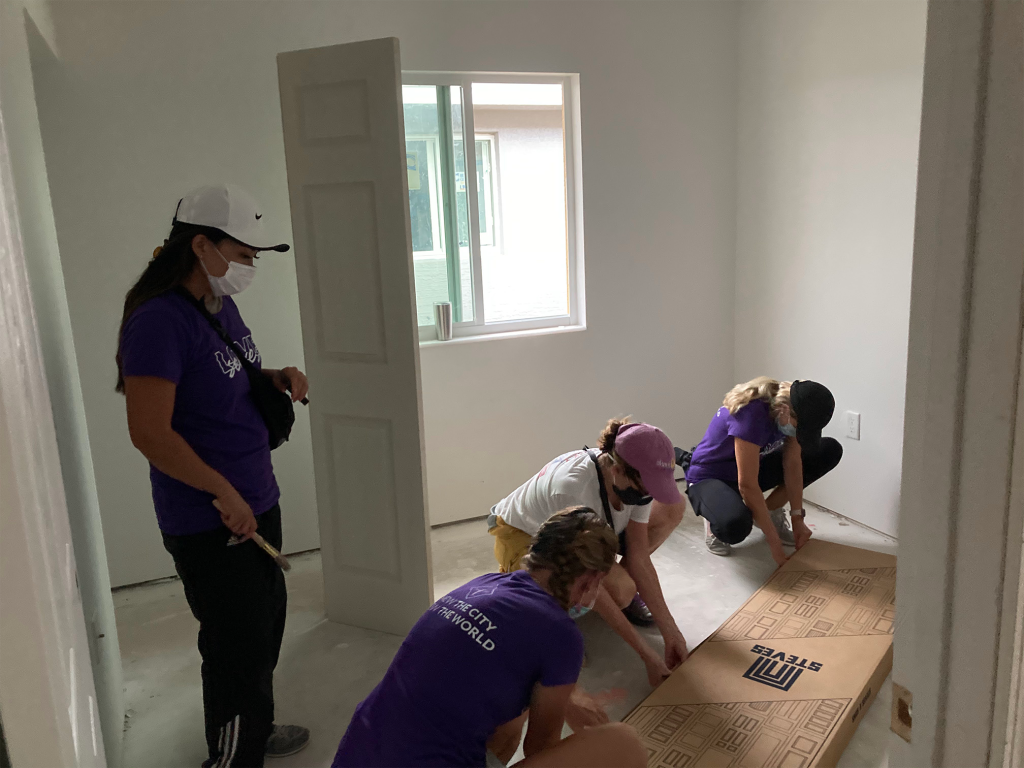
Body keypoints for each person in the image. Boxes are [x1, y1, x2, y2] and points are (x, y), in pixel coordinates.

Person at [116, 184, 311, 767]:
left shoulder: (217, 305)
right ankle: (231, 757)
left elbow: (223, 376)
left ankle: (251, 729)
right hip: (211, 516)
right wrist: (222, 491)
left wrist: (273, 374)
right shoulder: (157, 323)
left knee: (263, 628)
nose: (251, 266)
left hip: (253, 497)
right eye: (245, 254)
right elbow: (149, 433)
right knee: (234, 648)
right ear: (202, 245)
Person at [332, 507, 648, 768]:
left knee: (514, 711)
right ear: (592, 580)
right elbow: (540, 748)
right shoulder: (562, 636)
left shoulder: (481, 584)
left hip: (360, 751)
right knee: (622, 742)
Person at [489, 419, 689, 692]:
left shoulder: (630, 484)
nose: (647, 496)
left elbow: (639, 556)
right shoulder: (572, 490)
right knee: (614, 590)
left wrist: (671, 632)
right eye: (645, 488)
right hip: (523, 533)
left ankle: (611, 595)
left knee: (672, 507)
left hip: (594, 525)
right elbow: (592, 582)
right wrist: (646, 655)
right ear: (617, 470)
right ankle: (550, 617)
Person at [683, 377, 842, 566]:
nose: (799, 433)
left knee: (828, 450)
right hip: (711, 476)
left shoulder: (789, 410)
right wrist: (774, 544)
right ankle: (713, 519)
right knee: (735, 526)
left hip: (752, 464)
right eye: (800, 427)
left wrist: (797, 517)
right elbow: (747, 485)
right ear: (784, 410)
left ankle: (771, 511)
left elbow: (793, 465)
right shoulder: (751, 414)